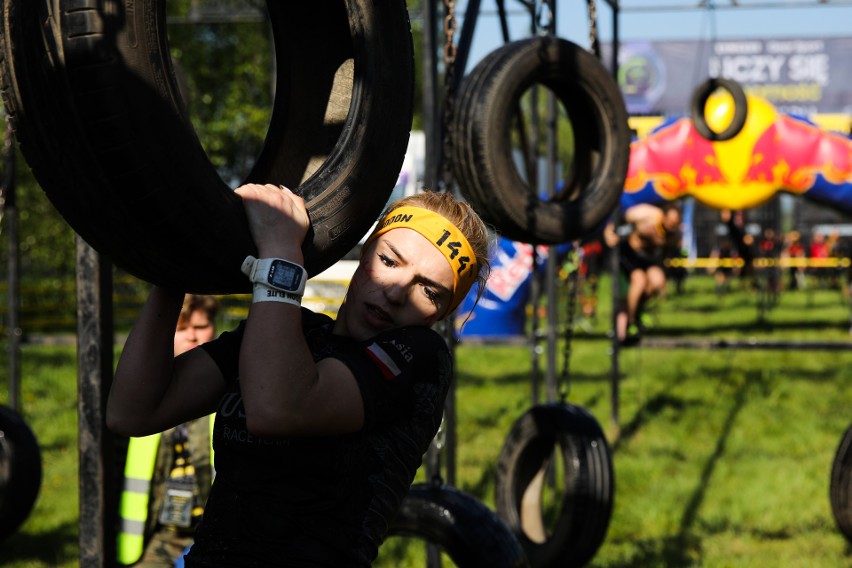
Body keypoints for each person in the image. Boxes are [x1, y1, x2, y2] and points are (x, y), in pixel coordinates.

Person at [107, 184, 492, 567]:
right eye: (389, 261)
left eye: (429, 290)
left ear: (441, 314)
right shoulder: (296, 334)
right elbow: (134, 411)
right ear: (364, 254)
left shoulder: (422, 360)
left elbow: (277, 408)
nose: (395, 292)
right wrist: (175, 271)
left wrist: (281, 251)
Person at [116, 294, 219, 567]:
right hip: (161, 536)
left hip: (211, 534)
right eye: (182, 329)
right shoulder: (143, 395)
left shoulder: (229, 395)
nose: (192, 337)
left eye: (200, 328)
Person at [605, 202, 681, 345]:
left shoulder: (674, 235)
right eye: (670, 222)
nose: (671, 226)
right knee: (639, 281)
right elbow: (621, 216)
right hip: (629, 254)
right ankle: (632, 321)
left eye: (675, 224)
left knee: (657, 281)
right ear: (664, 216)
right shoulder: (647, 215)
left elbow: (665, 255)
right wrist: (610, 232)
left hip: (648, 258)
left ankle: (637, 308)